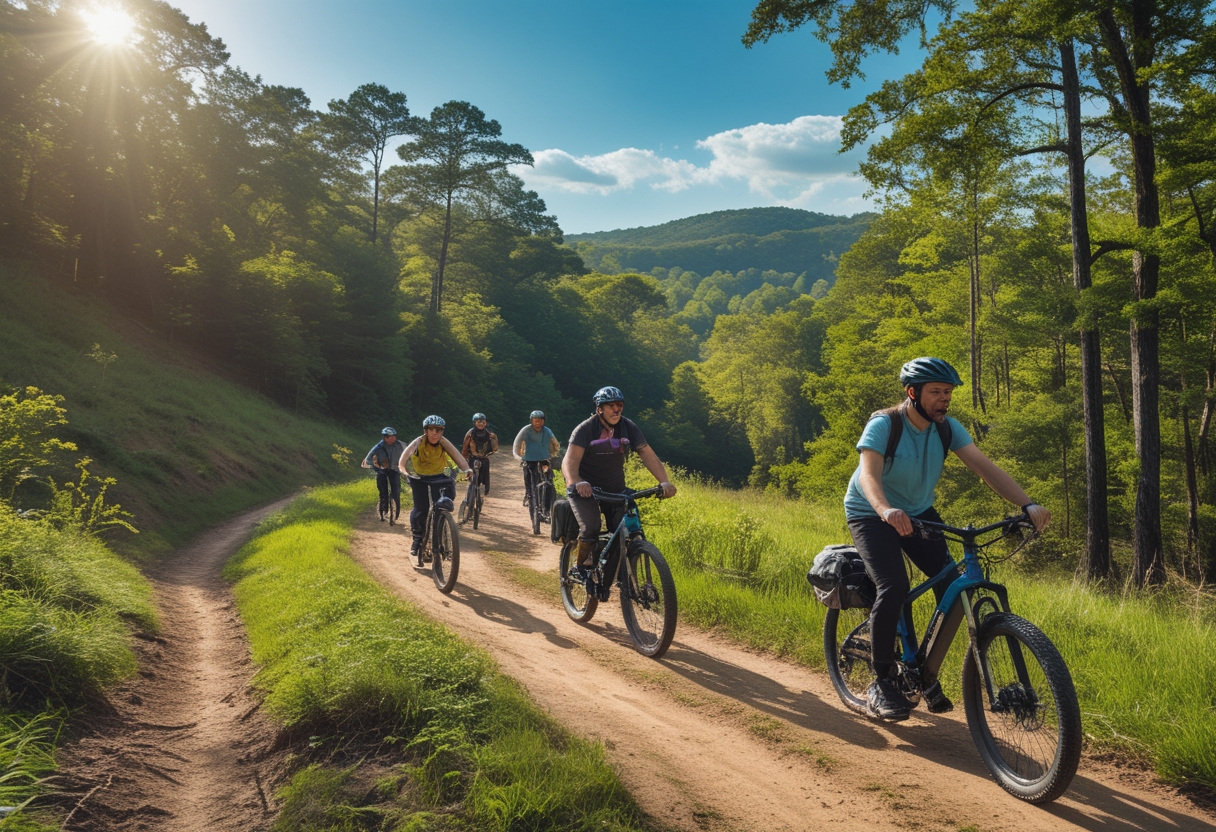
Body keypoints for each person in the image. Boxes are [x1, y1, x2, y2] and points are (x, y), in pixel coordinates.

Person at [845, 357, 1050, 722]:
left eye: (948, 392)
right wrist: (885, 510)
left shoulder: (947, 429)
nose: (944, 399)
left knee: (952, 589)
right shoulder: (884, 424)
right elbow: (868, 476)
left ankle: (922, 671)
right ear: (913, 393)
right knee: (893, 586)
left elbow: (985, 468)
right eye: (936, 392)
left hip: (919, 512)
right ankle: (883, 681)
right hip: (871, 512)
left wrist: (1027, 503)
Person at [562, 386, 676, 574]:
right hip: (585, 488)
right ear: (599, 408)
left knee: (626, 529)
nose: (616, 409)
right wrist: (576, 481)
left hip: (615, 489)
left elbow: (647, 454)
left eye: (619, 405)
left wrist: (665, 481)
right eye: (611, 406)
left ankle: (620, 576)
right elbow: (569, 461)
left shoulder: (628, 426)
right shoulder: (585, 429)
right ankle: (580, 567)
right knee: (591, 527)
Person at [399, 415, 471, 560]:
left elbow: (458, 457)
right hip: (420, 477)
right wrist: (405, 472)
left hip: (439, 477)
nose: (435, 433)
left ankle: (442, 525)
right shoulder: (418, 442)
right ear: (425, 430)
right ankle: (417, 538)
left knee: (445, 500)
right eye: (431, 429)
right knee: (421, 508)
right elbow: (403, 459)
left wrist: (467, 469)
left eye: (439, 430)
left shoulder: (443, 442)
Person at [513, 410, 560, 509]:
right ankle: (528, 494)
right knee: (528, 478)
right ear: (532, 421)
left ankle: (548, 503)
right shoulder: (526, 430)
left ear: (544, 421)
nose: (538, 423)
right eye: (536, 421)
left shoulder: (547, 431)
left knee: (548, 480)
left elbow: (555, 444)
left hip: (544, 460)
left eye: (540, 420)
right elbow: (516, 445)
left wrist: (553, 455)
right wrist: (519, 457)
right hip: (529, 460)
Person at [362, 427, 404, 522]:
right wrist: (376, 468)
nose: (392, 438)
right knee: (383, 491)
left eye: (394, 436)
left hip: (394, 470)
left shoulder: (400, 445)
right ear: (384, 437)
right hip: (382, 470)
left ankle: (396, 510)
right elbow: (368, 459)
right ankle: (383, 510)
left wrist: (403, 467)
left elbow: (409, 454)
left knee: (396, 491)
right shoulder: (379, 447)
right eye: (389, 436)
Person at [461, 413, 499, 493]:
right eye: (479, 422)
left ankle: (485, 489)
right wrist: (464, 456)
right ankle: (470, 495)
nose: (481, 424)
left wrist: (494, 440)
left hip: (484, 458)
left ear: (486, 423)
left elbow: (495, 448)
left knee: (484, 476)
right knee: (472, 477)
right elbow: (465, 446)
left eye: (483, 422)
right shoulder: (470, 433)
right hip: (473, 457)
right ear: (474, 423)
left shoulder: (490, 434)